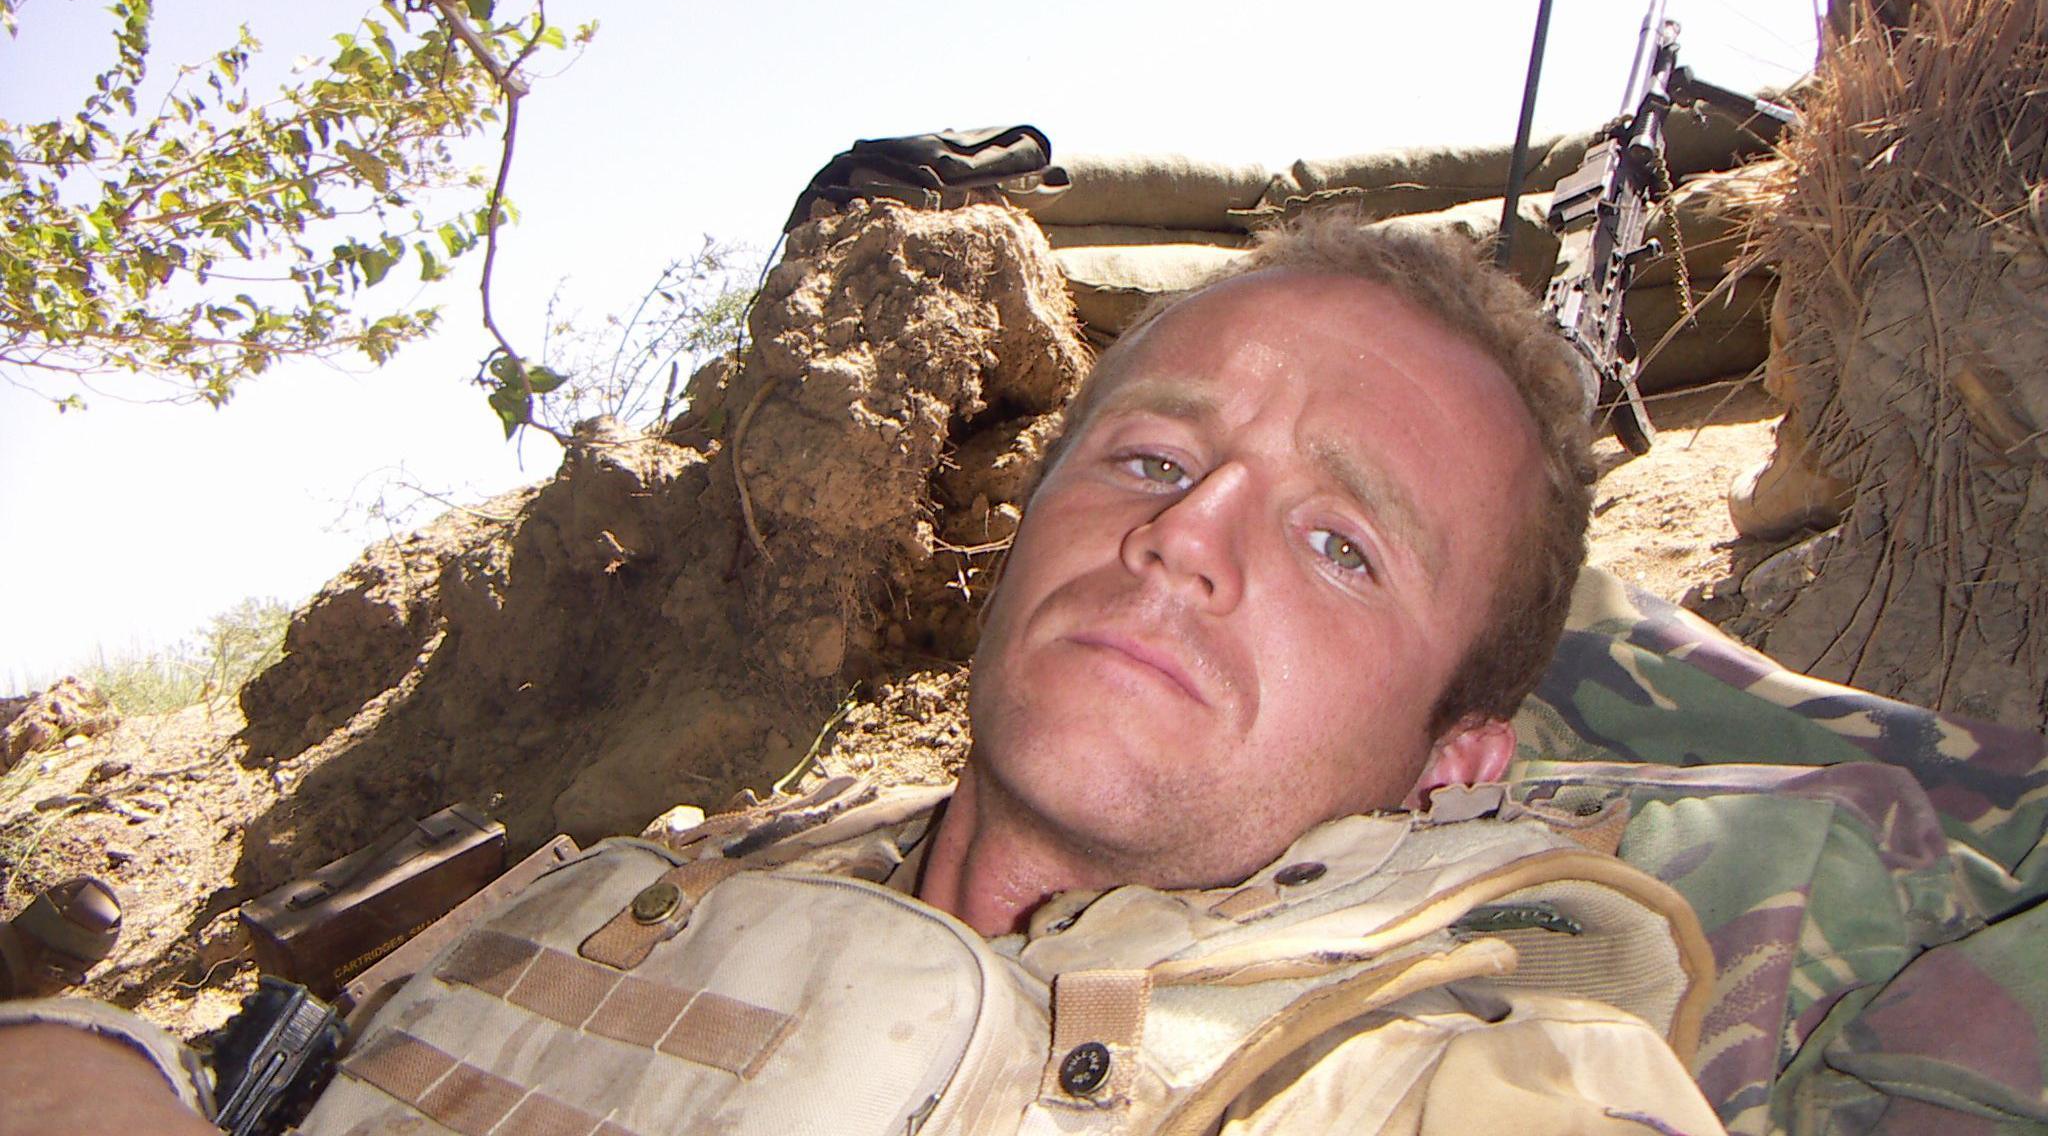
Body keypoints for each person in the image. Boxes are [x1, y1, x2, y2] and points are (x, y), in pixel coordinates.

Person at [0, 208, 1725, 1136]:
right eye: (1143, 460)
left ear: (1456, 761)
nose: (1187, 534)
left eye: (1343, 545)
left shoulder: (1448, 1076)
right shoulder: (661, 879)